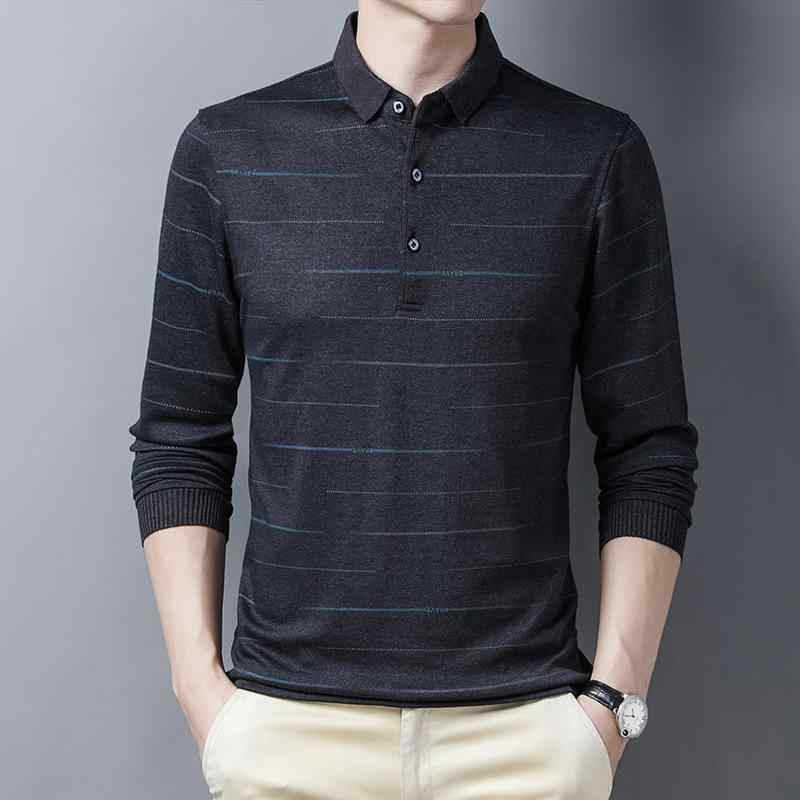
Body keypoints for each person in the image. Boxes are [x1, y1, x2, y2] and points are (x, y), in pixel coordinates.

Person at [128, 1, 700, 797]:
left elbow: (648, 448)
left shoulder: (596, 154)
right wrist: (203, 694)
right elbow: (179, 436)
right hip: (289, 737)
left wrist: (610, 706)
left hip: (525, 742)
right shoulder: (227, 151)